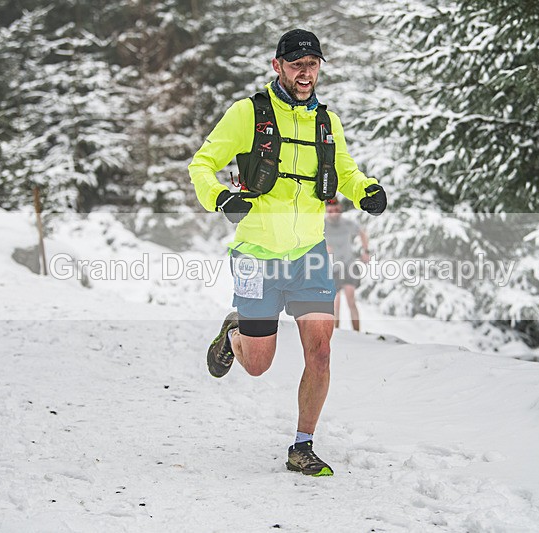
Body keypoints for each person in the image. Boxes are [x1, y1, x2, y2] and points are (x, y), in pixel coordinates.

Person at [188, 29, 387, 477]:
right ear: (277, 66)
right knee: (257, 366)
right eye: (296, 64)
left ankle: (302, 445)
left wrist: (365, 188)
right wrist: (219, 196)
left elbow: (344, 170)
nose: (305, 72)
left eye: (312, 64)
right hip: (257, 253)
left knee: (320, 352)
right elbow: (201, 163)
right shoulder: (248, 113)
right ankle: (235, 332)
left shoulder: (326, 121)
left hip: (310, 255)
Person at [324, 198, 370, 332]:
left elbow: (362, 233)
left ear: (340, 209)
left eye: (336, 210)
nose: (334, 213)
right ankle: (336, 333)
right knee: (335, 303)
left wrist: (365, 251)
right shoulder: (322, 225)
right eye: (331, 211)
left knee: (351, 300)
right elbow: (311, 239)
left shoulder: (347, 223)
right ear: (327, 210)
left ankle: (357, 333)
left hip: (349, 265)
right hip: (333, 267)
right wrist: (323, 247)